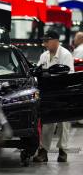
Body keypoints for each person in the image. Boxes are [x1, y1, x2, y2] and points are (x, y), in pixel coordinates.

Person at [33, 30, 74, 163]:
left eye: (47, 41)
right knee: (47, 123)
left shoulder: (65, 55)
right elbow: (38, 71)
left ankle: (63, 151)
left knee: (64, 124)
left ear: (56, 41)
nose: (44, 44)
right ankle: (43, 151)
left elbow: (69, 74)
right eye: (44, 41)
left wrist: (52, 76)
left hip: (62, 94)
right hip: (48, 94)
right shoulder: (44, 56)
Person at [73, 31, 83, 127]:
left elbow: (75, 64)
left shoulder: (80, 50)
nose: (74, 39)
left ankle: (80, 121)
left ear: (80, 39)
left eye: (76, 38)